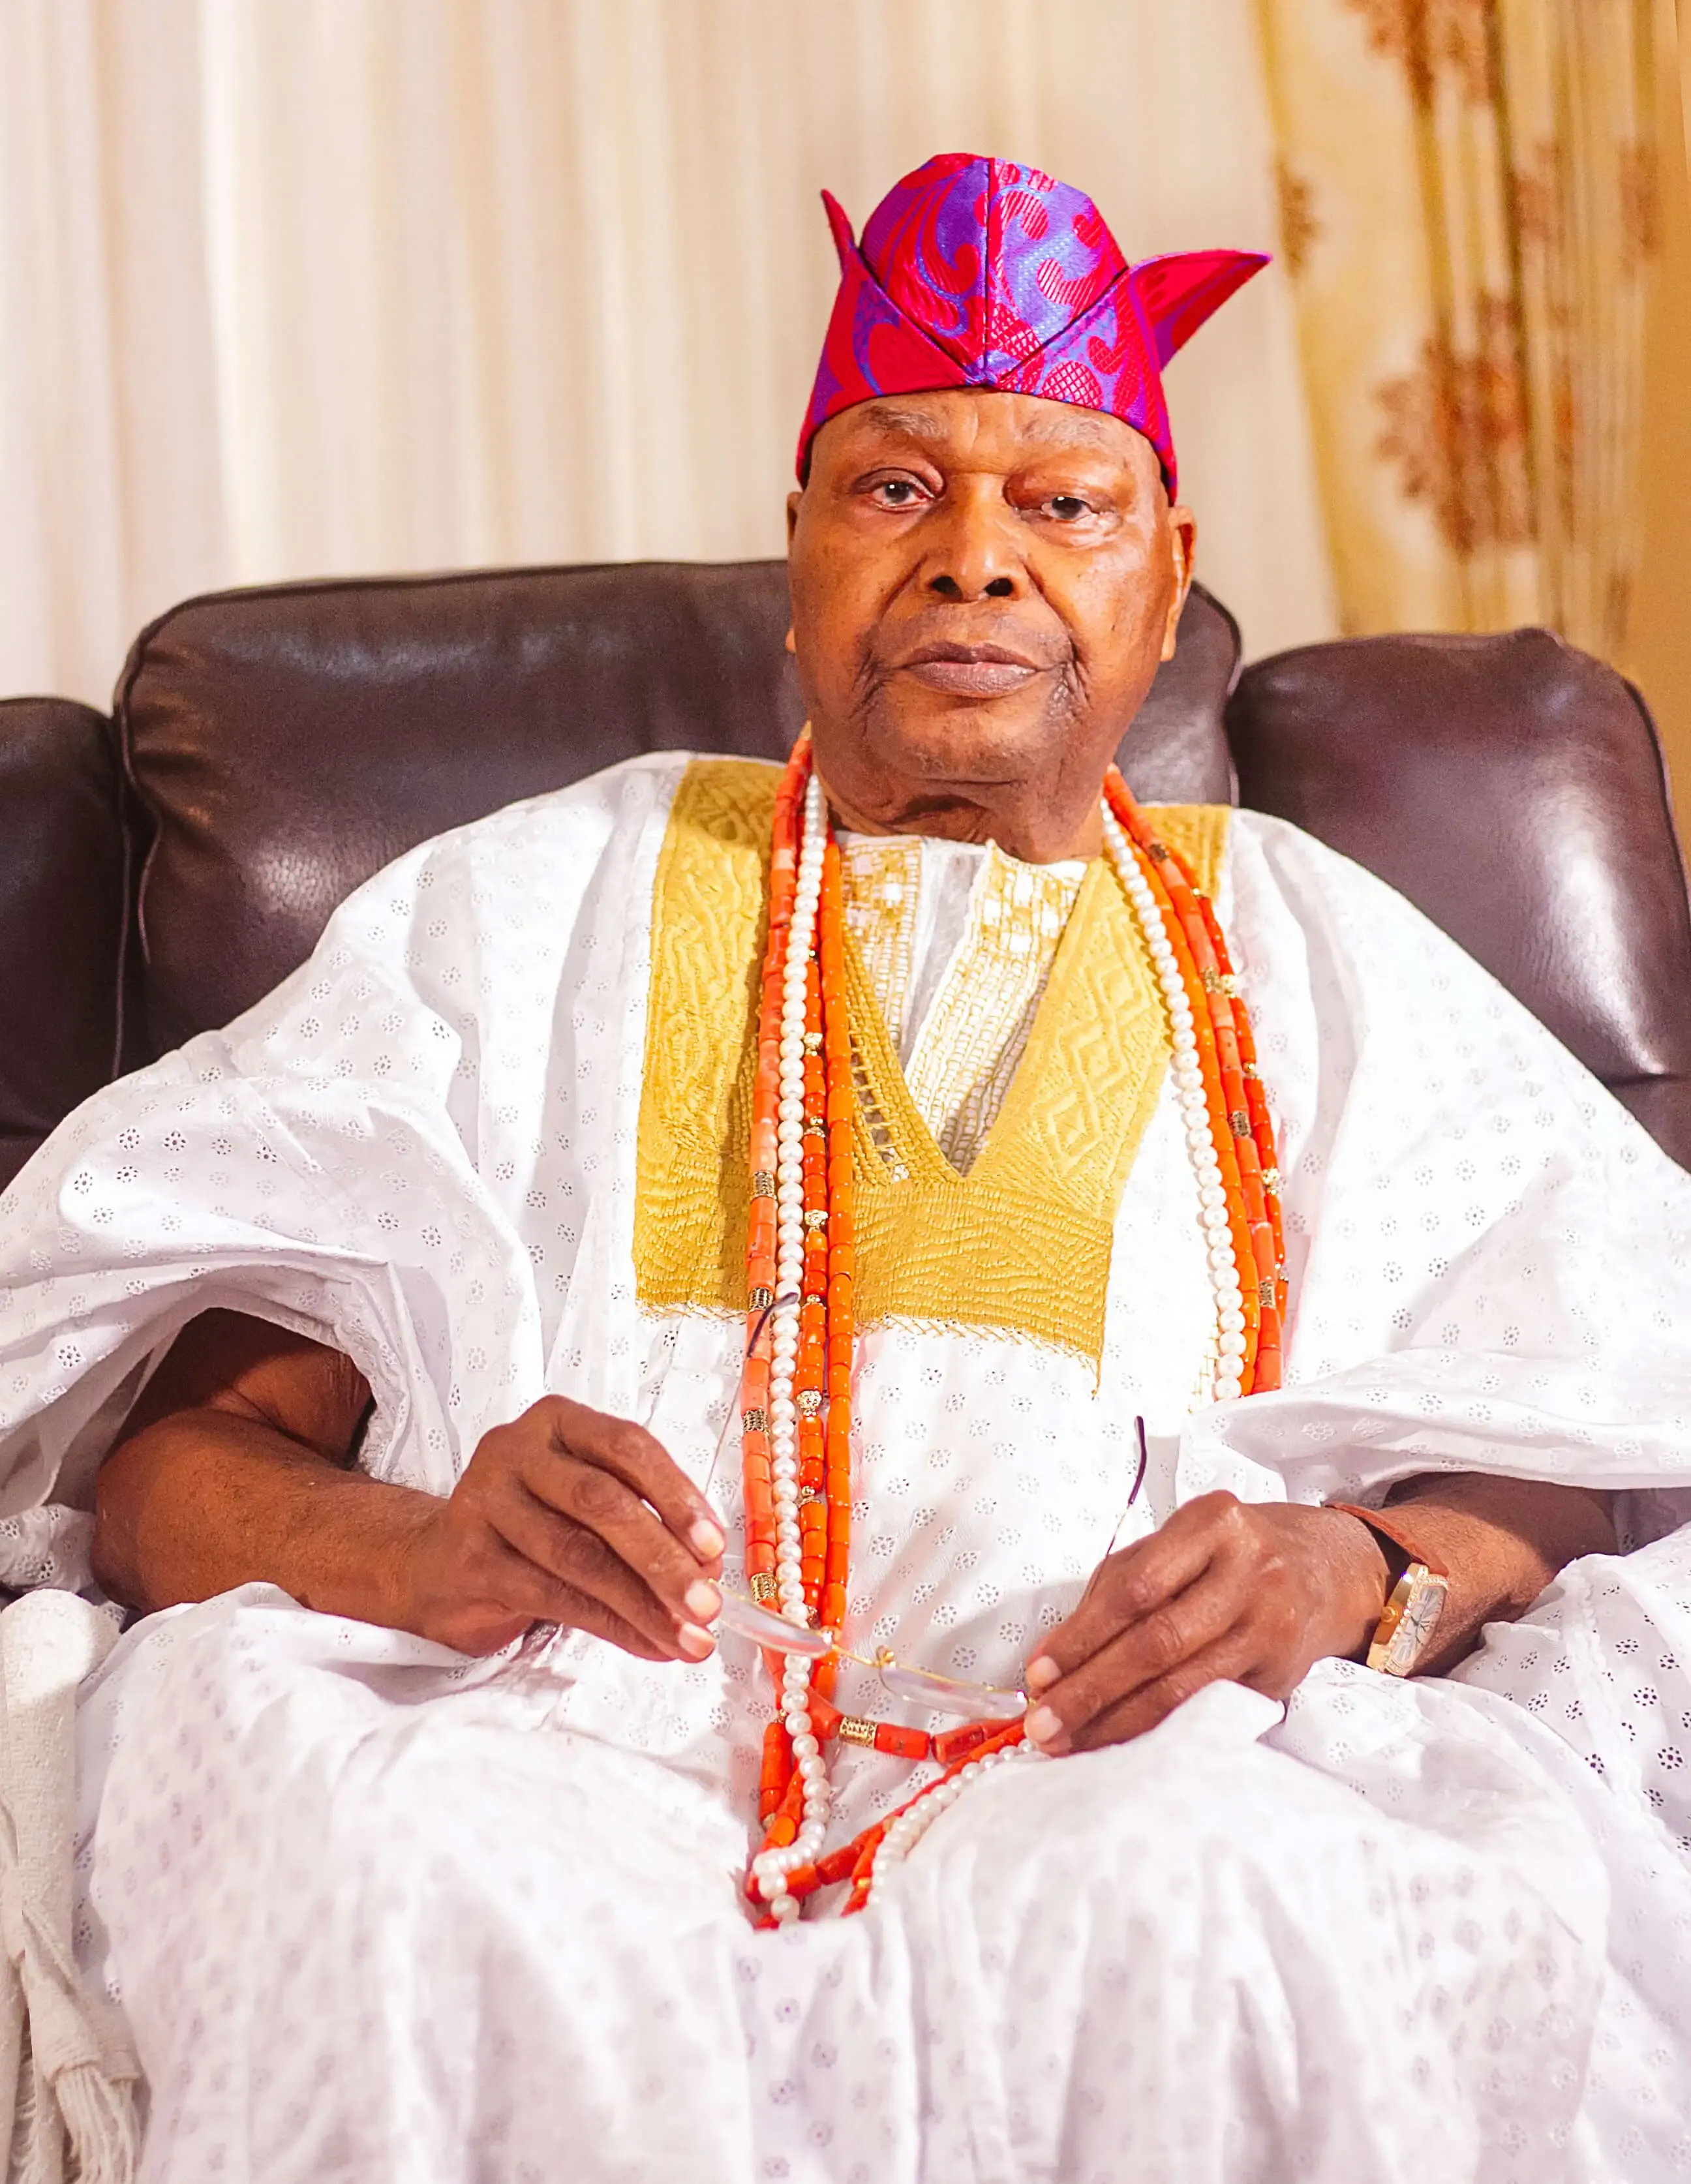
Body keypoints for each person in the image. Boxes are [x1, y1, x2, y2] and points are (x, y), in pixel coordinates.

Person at [2, 151, 1690, 2184]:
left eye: (1060, 504)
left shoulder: (1321, 953)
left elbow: (1593, 1419)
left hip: (1142, 1771)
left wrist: (1360, 1573)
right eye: (898, 488)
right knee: (399, 1866)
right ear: (793, 551)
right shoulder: (531, 902)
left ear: (1166, 573)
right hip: (548, 1757)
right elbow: (171, 1468)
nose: (976, 560)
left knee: (1242, 1903)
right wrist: (419, 1546)